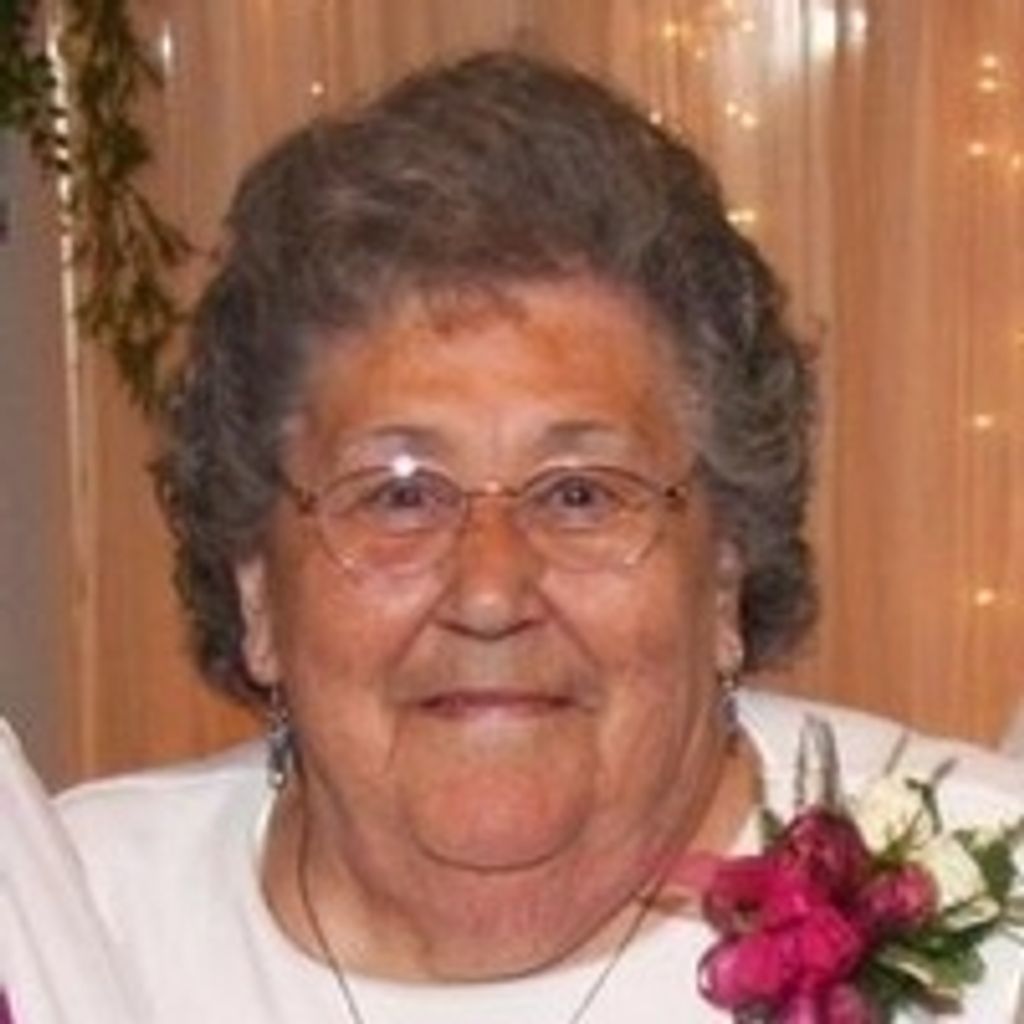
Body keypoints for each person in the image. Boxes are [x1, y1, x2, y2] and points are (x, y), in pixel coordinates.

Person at [6, 50, 1021, 1023]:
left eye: (579, 494)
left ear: (723, 574)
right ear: (259, 593)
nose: (490, 589)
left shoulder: (998, 925)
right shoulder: (64, 924)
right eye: (399, 496)